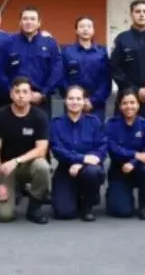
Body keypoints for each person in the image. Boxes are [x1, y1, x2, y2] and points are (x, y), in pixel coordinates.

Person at [0, 76, 52, 224]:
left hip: (27, 165)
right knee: (3, 216)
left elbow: (41, 150)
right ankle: (11, 189)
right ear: (11, 94)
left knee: (42, 166)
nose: (21, 95)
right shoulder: (0, 116)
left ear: (31, 95)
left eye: (25, 92)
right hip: (4, 169)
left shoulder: (40, 116)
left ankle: (34, 207)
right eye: (17, 92)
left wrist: (16, 161)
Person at [0, 7, 64, 115]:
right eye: (25, 19)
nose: (28, 22)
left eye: (32, 19)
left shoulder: (50, 43)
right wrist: (13, 92)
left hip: (41, 101)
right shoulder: (7, 44)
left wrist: (43, 93)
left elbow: (57, 71)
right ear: (20, 22)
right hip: (12, 101)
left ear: (39, 23)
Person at [50, 86, 107, 221]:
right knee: (64, 213)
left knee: (93, 172)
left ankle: (87, 206)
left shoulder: (94, 122)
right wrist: (81, 158)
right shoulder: (56, 123)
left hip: (88, 169)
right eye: (71, 98)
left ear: (84, 101)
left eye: (78, 99)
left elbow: (102, 148)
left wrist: (81, 163)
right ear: (65, 101)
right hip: (66, 169)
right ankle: (73, 195)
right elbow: (57, 150)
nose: (74, 102)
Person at [104, 89, 145, 219]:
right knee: (122, 211)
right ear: (120, 105)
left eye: (132, 102)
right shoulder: (111, 125)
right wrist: (135, 154)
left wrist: (134, 162)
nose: (129, 106)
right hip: (119, 170)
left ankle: (144, 205)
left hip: (139, 168)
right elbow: (113, 149)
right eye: (125, 103)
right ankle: (113, 193)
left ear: (138, 104)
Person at [60, 16, 111, 122]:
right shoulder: (67, 52)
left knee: (96, 135)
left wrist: (93, 101)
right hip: (72, 103)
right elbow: (62, 78)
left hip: (96, 105)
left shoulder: (101, 52)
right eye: (82, 26)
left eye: (89, 26)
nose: (85, 29)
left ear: (93, 30)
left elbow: (106, 80)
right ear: (76, 30)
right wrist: (76, 99)